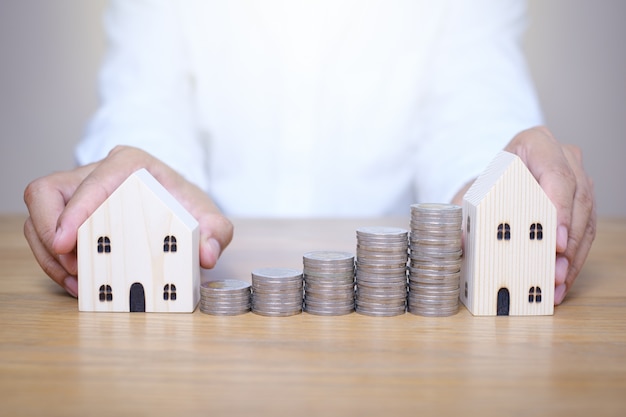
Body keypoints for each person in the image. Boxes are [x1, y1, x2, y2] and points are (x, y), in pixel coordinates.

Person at [23, 0, 595, 305]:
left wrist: (490, 187)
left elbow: (474, 98)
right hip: (216, 259)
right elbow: (145, 96)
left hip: (397, 290)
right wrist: (143, 177)